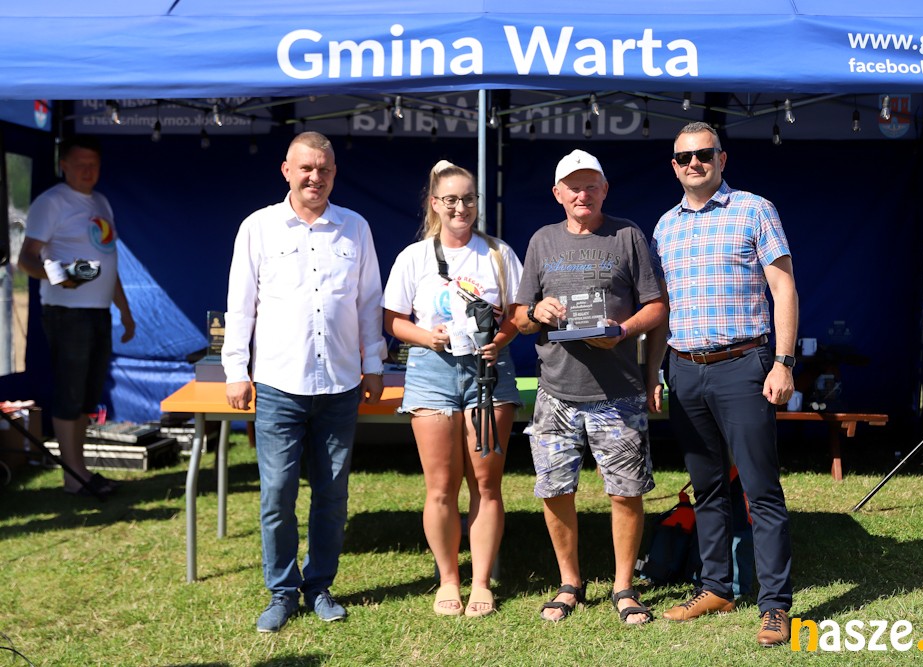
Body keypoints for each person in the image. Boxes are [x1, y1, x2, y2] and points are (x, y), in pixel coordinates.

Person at [221, 131, 387, 633]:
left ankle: (319, 586)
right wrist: (236, 370)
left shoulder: (355, 227)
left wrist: (374, 364)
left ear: (334, 173)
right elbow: (240, 304)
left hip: (339, 384)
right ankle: (281, 591)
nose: (316, 177)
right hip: (278, 383)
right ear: (287, 171)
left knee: (332, 496)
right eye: (307, 168)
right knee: (277, 494)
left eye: (325, 169)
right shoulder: (258, 227)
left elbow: (369, 302)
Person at [645, 121, 798, 647]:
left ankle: (775, 606)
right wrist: (655, 370)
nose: (695, 163)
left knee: (760, 490)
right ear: (674, 166)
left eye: (704, 155)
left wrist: (783, 362)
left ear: (721, 159)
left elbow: (783, 289)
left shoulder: (754, 210)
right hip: (685, 368)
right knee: (706, 486)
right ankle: (715, 587)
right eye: (684, 157)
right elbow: (664, 308)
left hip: (743, 364)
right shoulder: (665, 226)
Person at [513, 149, 667, 625]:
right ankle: (570, 583)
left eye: (591, 186)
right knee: (555, 489)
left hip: (617, 391)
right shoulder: (542, 240)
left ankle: (624, 587)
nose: (583, 195)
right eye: (573, 187)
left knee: (625, 491)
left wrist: (622, 331)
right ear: (557, 193)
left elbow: (657, 307)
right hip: (556, 392)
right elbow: (518, 317)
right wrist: (536, 312)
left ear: (605, 189)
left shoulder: (627, 235)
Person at [383, 160, 523, 618]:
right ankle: (448, 579)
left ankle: (480, 582)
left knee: (486, 483)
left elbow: (519, 314)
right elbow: (393, 321)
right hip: (432, 370)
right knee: (441, 486)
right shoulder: (414, 256)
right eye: (451, 200)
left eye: (468, 199)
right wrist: (428, 337)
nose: (461, 207)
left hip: (488, 370)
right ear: (434, 204)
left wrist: (499, 339)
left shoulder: (498, 253)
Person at [18, 135, 135, 498]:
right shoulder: (51, 201)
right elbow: (26, 259)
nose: (88, 171)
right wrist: (61, 275)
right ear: (63, 165)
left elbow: (108, 263)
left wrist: (125, 310)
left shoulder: (100, 201)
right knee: (70, 394)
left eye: (93, 164)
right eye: (80, 164)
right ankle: (74, 478)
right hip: (66, 313)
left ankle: (79, 470)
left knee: (86, 397)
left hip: (98, 312)